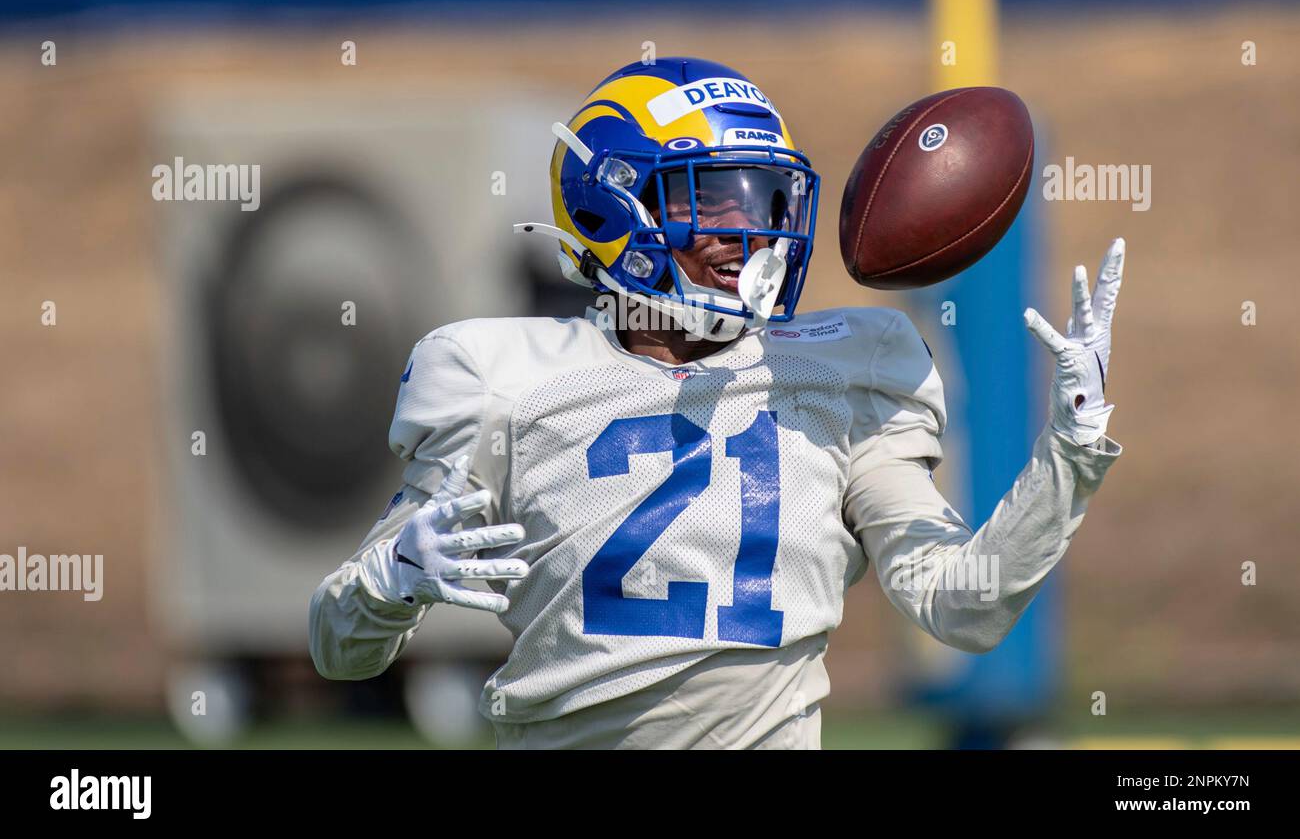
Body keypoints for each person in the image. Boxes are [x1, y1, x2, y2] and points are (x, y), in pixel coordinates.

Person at [309, 57, 1124, 749]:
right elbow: (340, 651)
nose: (752, 232)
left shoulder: (847, 369)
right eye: (713, 200)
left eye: (765, 201)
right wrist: (391, 579)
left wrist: (1071, 450)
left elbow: (962, 605)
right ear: (613, 208)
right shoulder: (500, 379)